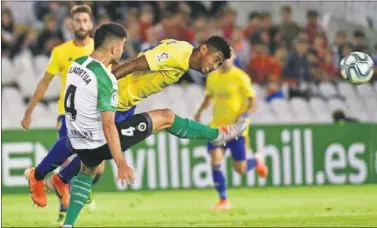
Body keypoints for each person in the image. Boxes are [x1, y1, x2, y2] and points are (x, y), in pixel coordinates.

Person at [25, 36, 249, 214]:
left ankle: (60, 179)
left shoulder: (181, 56)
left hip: (127, 104)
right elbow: (135, 64)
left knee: (97, 151)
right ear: (203, 49)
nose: (215, 66)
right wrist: (105, 84)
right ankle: (39, 175)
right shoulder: (177, 53)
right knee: (80, 142)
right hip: (114, 98)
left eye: (220, 63)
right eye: (215, 59)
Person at [20, 4, 102, 224]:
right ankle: (63, 211)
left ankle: (80, 186)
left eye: (85, 21)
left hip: (94, 115)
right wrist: (29, 112)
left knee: (98, 165)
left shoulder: (100, 48)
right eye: (78, 21)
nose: (82, 24)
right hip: (67, 114)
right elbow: (45, 82)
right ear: (71, 23)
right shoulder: (61, 51)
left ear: (91, 24)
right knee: (65, 162)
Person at [60, 22, 131, 227]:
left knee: (93, 170)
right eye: (122, 45)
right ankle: (59, 182)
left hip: (74, 130)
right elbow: (108, 126)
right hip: (91, 134)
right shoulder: (106, 79)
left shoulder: (77, 63)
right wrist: (121, 163)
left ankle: (68, 222)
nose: (123, 50)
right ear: (114, 48)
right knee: (157, 120)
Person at [194, 51, 268, 210]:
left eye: (229, 57)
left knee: (240, 169)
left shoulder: (240, 77)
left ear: (233, 58)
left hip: (236, 129)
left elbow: (253, 101)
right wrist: (199, 111)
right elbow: (208, 97)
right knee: (215, 162)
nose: (225, 60)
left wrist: (245, 114)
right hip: (216, 128)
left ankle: (255, 160)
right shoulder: (212, 77)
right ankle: (223, 199)